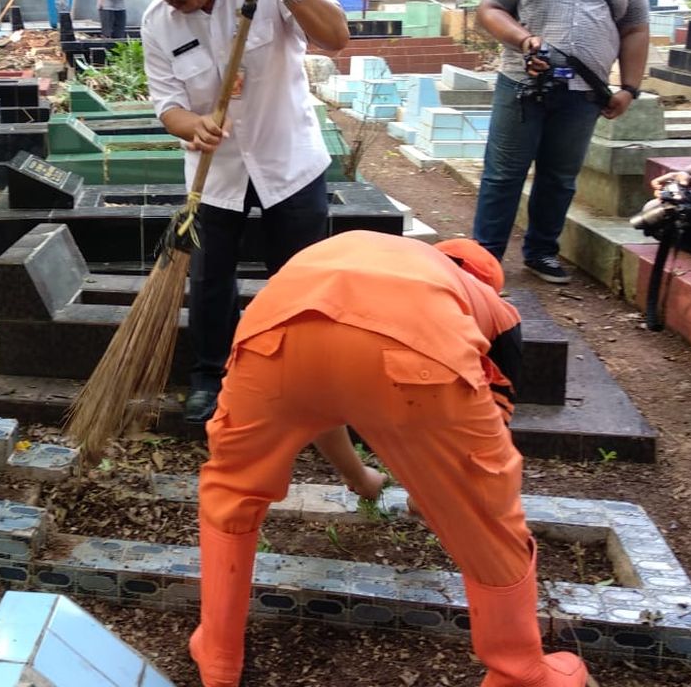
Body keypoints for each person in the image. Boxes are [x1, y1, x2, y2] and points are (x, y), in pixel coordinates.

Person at [191, 230, 587, 687]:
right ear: (486, 284)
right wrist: (434, 497)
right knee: (488, 511)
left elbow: (320, 401)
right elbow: (483, 436)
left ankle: (219, 655)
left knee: (232, 490)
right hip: (418, 354)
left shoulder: (374, 250)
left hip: (273, 335)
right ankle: (521, 673)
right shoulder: (491, 306)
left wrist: (359, 478)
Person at [129, 0, 349, 424]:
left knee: (298, 277)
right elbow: (166, 105)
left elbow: (337, 35)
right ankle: (209, 376)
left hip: (287, 158)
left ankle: (300, 381)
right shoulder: (157, 22)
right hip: (217, 172)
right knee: (207, 278)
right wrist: (193, 126)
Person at [472, 0, 649, 284]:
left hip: (584, 94)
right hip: (522, 85)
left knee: (559, 177)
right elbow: (490, 8)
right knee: (503, 174)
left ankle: (541, 253)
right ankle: (484, 257)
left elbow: (635, 27)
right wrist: (523, 39)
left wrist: (630, 87)